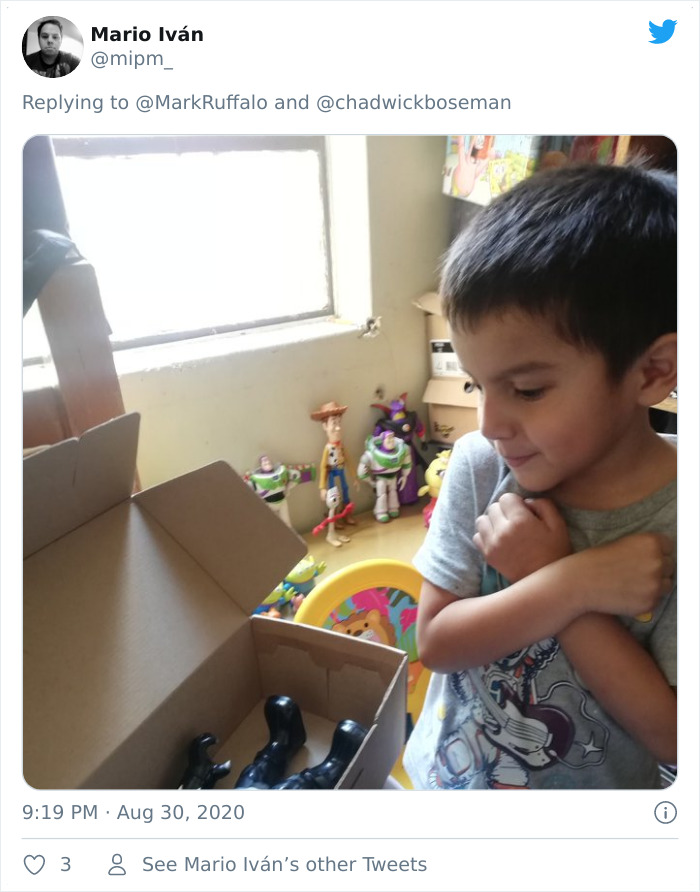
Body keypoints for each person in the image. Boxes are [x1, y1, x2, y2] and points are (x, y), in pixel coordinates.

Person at [404, 162, 677, 790]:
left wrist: (555, 582)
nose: (491, 421)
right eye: (477, 384)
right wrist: (569, 584)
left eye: (527, 389)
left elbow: (670, 737)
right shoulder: (482, 466)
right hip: (447, 780)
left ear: (651, 371)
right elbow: (437, 643)